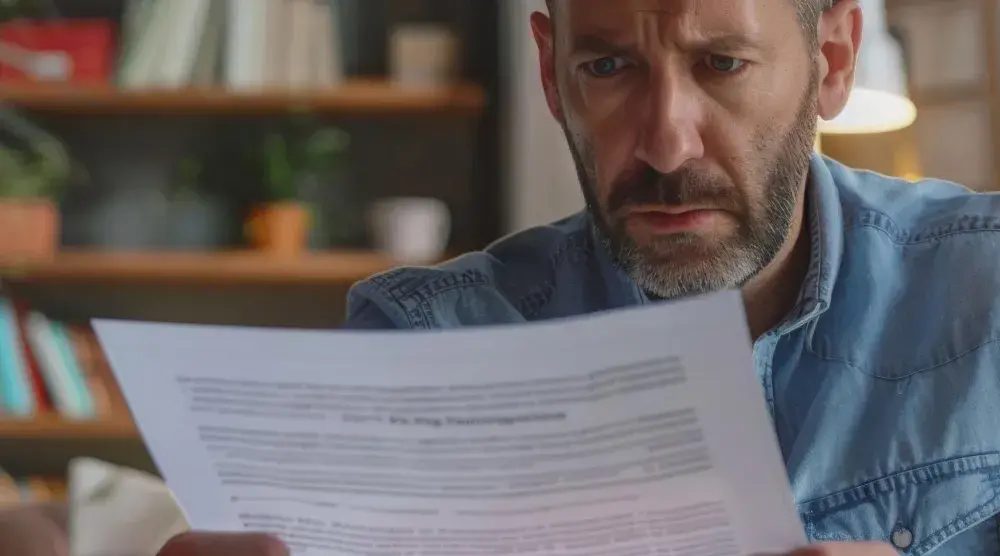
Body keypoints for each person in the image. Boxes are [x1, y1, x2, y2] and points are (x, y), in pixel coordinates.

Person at [4, 0, 998, 554]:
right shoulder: (426, 343)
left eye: (722, 64)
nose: (661, 141)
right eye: (607, 69)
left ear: (829, 59)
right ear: (548, 67)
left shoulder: (982, 285)